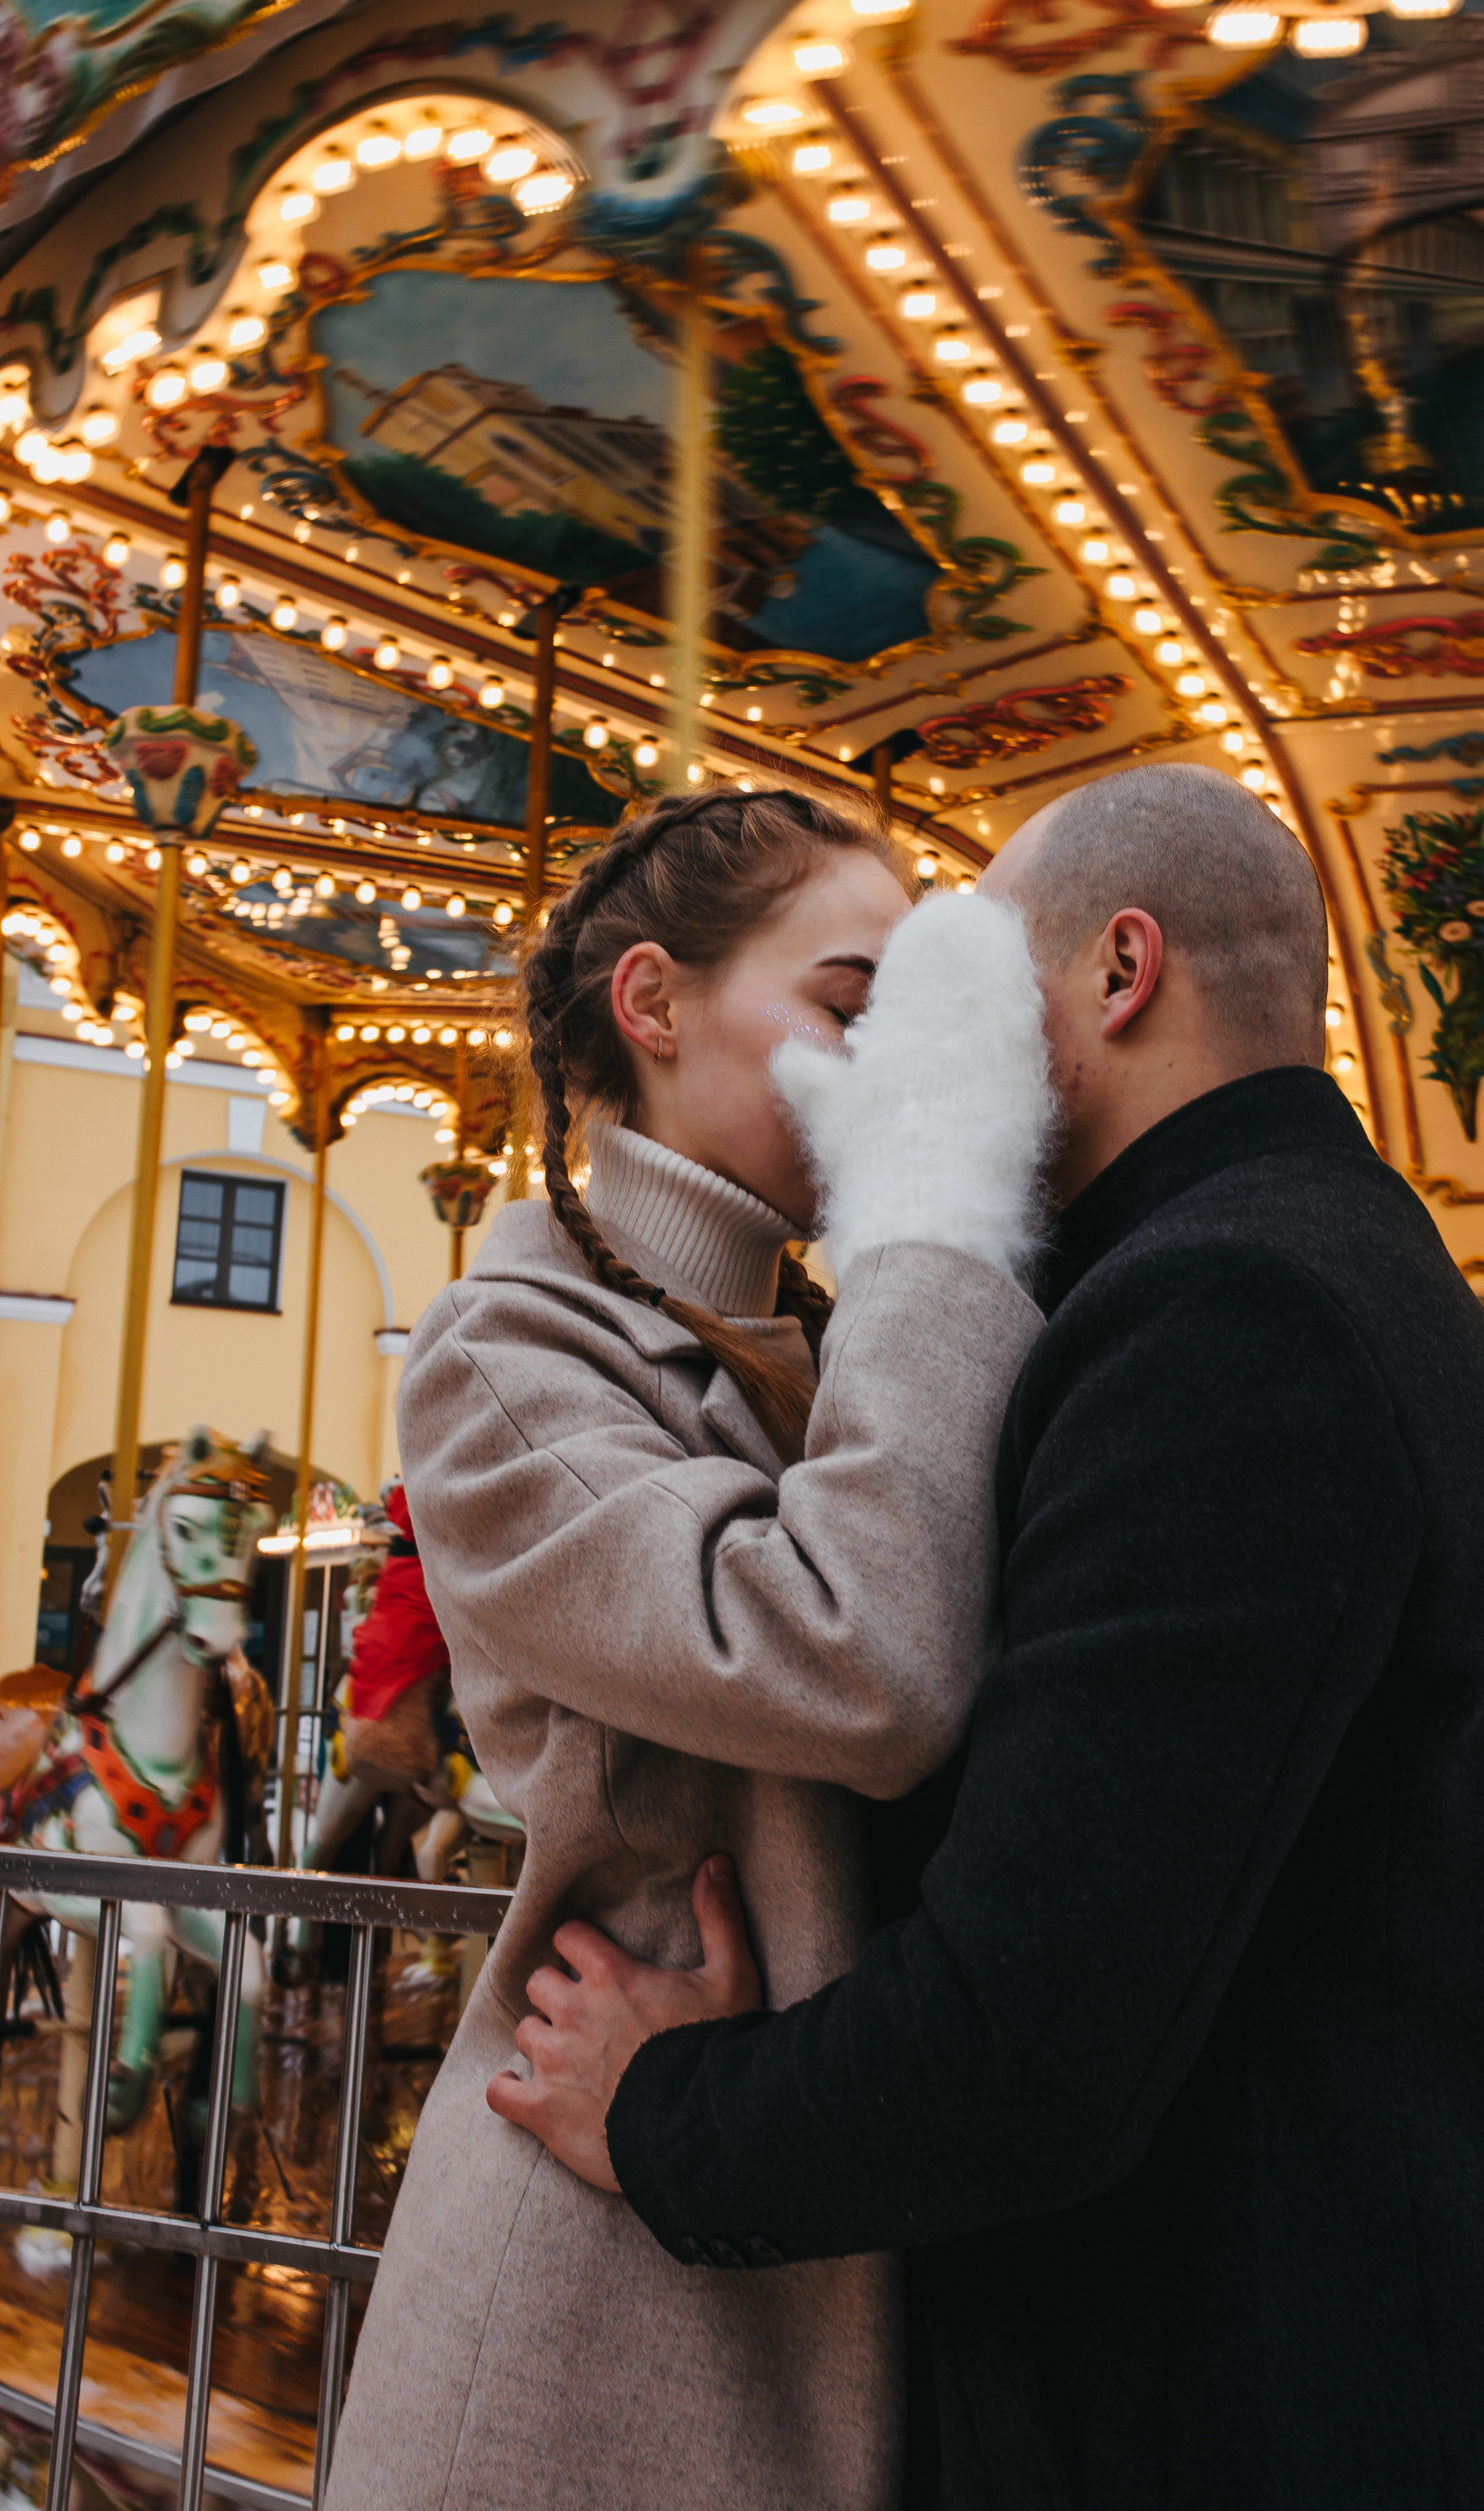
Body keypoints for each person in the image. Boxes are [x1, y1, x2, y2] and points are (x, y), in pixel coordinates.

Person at [503, 762, 1484, 2510]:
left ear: (1121, 972)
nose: (910, 1048)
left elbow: (1029, 2034)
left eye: (960, 979)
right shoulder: (1332, 1261)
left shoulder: (1228, 1310)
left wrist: (666, 2109)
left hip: (1274, 2413)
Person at [321, 785, 1052, 2511]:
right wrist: (931, 1227)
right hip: (604, 2275)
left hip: (788, 2163)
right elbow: (856, 1662)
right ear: (653, 1004)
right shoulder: (509, 1358)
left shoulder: (829, 1335)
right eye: (852, 1005)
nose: (892, 1066)